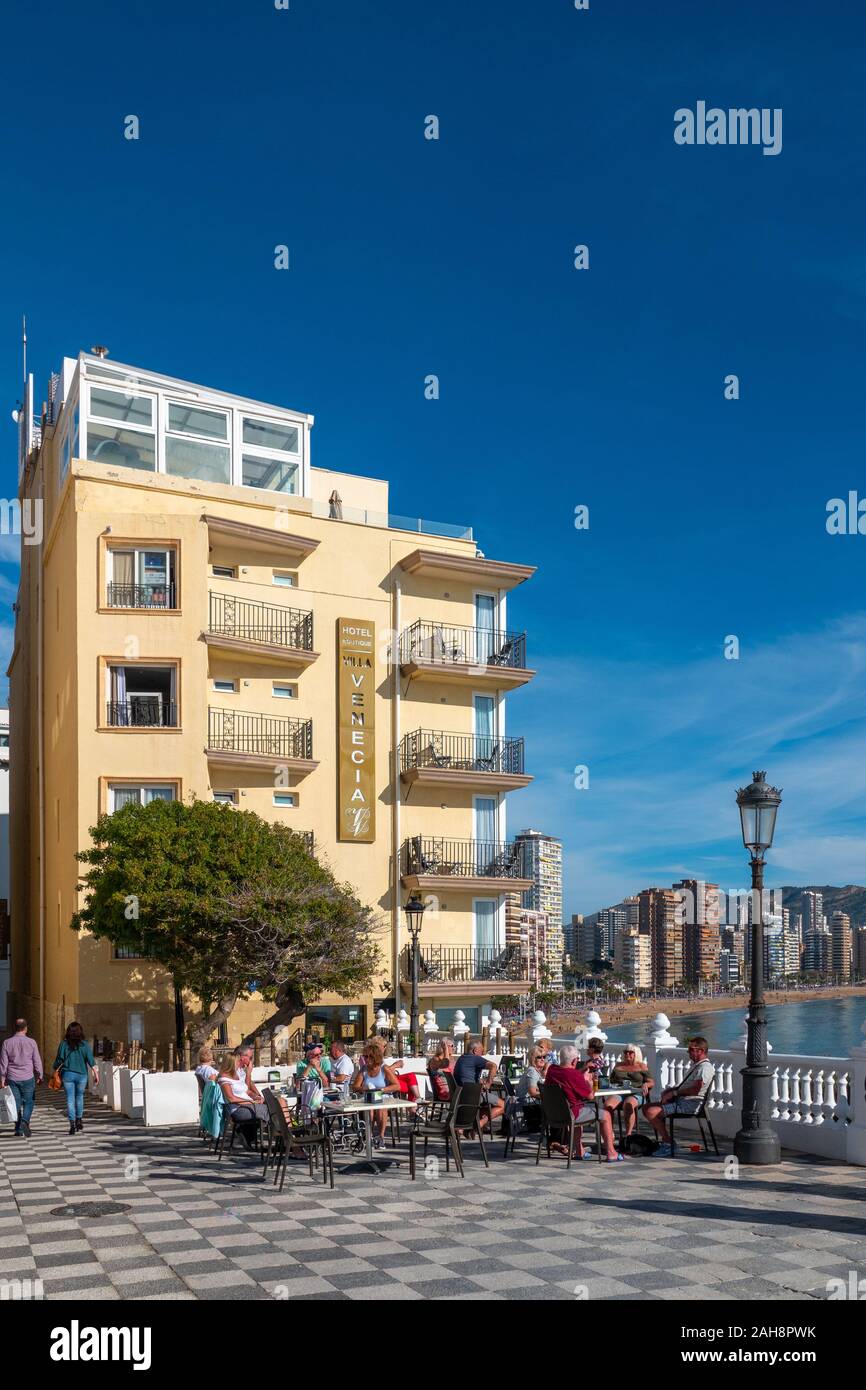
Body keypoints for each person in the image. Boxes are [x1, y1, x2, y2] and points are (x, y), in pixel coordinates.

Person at [545, 1044, 622, 1161]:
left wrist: (582, 1070)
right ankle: (611, 1153)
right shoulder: (574, 1075)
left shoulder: (552, 1070)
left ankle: (579, 1152)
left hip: (552, 1114)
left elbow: (567, 1076)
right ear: (575, 1060)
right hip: (571, 1114)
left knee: (578, 1106)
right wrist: (591, 1083)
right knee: (605, 1115)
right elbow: (590, 1096)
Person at [643, 1036, 714, 1156]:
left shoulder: (704, 1068)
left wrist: (674, 1093)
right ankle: (667, 1141)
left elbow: (696, 1090)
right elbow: (688, 1087)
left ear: (700, 1051)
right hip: (683, 1101)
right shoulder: (697, 1066)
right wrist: (672, 1090)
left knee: (651, 1112)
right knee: (646, 1108)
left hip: (691, 1104)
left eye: (691, 1049)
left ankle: (668, 1142)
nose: (688, 1052)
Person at [351, 1039, 401, 1147]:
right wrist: (364, 1089)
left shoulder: (384, 1069)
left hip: (383, 1095)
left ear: (376, 1058)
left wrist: (382, 1090)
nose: (367, 1059)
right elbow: (355, 1086)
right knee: (370, 1109)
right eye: (365, 1057)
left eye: (370, 1057)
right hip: (369, 1096)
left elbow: (397, 1085)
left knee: (380, 1108)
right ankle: (370, 1135)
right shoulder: (364, 1069)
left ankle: (381, 1137)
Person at [218, 1045, 268, 1151]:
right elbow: (231, 1098)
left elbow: (247, 1090)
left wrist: (256, 1096)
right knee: (272, 1110)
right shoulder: (224, 1078)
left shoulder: (236, 1074)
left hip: (246, 1105)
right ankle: (285, 1137)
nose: (240, 1064)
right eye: (237, 1062)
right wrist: (250, 1101)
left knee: (274, 1105)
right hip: (238, 1109)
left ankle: (283, 1136)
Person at [0, 1017, 43, 1138]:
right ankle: (25, 1120)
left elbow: (3, 1063)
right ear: (26, 1028)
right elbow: (37, 1060)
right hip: (28, 1077)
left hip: (12, 1078)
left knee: (16, 1103)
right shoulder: (32, 1042)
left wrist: (2, 1079)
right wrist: (40, 1074)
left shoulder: (7, 1043)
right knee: (29, 1102)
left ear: (15, 1028)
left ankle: (18, 1129)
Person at [52, 1022, 97, 1136]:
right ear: (80, 1031)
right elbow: (91, 1060)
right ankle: (79, 1119)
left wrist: (55, 1068)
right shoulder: (84, 1044)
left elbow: (59, 1059)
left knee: (70, 1099)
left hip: (68, 1075)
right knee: (79, 1097)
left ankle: (72, 1124)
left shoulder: (63, 1044)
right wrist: (96, 1073)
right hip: (82, 1075)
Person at [604, 1044, 653, 1138]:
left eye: (630, 1052)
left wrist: (645, 1084)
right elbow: (611, 1080)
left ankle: (628, 1135)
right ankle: (609, 1133)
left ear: (636, 1054)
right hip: (620, 1092)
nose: (627, 1054)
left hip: (636, 1093)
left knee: (628, 1103)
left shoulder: (642, 1066)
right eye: (626, 1052)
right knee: (608, 1105)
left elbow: (651, 1082)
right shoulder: (618, 1065)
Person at [453, 1042, 504, 1132]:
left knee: (488, 1105)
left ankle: (470, 1126)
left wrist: (480, 1081)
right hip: (473, 1096)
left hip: (461, 1096)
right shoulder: (475, 1058)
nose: (483, 1053)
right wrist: (488, 1083)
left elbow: (467, 1076)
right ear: (475, 1050)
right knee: (504, 1105)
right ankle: (480, 1123)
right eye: (481, 1051)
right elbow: (493, 1066)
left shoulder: (461, 1058)